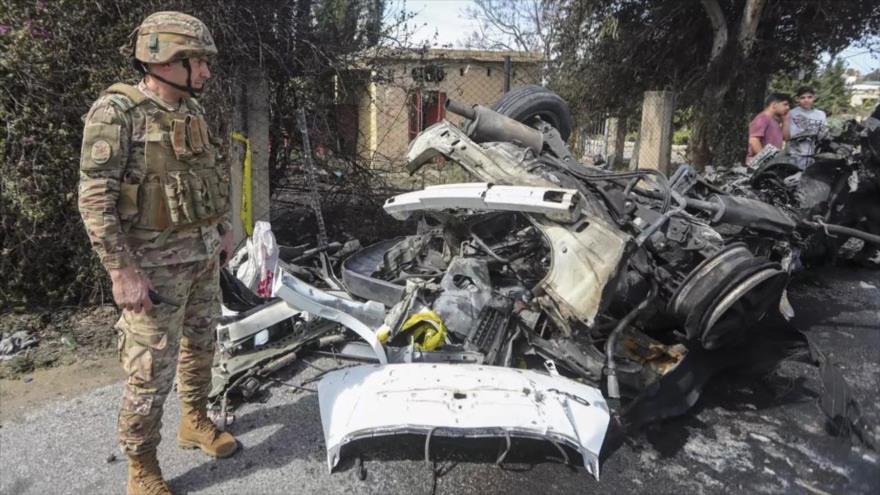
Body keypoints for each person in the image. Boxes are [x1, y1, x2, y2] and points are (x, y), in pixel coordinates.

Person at [77, 11, 236, 495]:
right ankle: (142, 466)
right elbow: (95, 197)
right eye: (197, 62)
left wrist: (225, 228)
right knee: (148, 372)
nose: (206, 72)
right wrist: (121, 271)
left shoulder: (192, 111)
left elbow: (210, 176)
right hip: (152, 272)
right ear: (163, 58)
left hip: (203, 258)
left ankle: (195, 420)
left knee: (202, 348)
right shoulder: (117, 112)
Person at [784, 86, 827, 168]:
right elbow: (790, 135)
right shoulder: (792, 113)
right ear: (797, 99)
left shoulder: (821, 114)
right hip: (795, 155)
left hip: (815, 155)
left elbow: (824, 132)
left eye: (809, 97)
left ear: (814, 98)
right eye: (802, 98)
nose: (806, 100)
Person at [746, 92, 789, 163]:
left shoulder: (775, 121)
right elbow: (753, 140)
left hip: (770, 163)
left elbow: (786, 138)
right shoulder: (763, 118)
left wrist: (785, 121)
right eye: (785, 104)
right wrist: (764, 159)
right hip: (759, 164)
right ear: (774, 105)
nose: (787, 107)